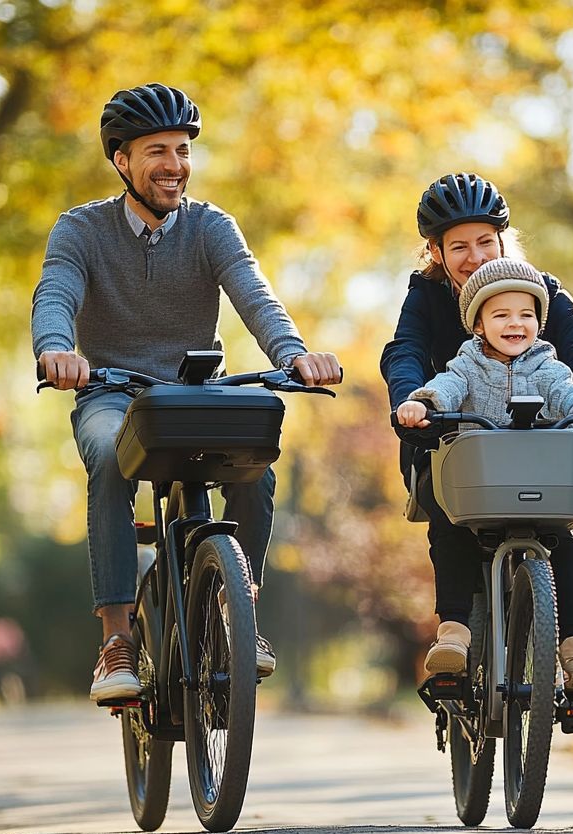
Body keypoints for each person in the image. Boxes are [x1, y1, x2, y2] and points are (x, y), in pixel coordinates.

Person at [32, 83, 341, 704]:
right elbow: (56, 292)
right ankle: (117, 640)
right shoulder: (81, 230)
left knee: (259, 463)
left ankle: (237, 613)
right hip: (112, 392)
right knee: (105, 455)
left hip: (196, 392)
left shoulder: (209, 227)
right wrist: (56, 348)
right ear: (121, 160)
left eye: (181, 150)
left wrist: (294, 354)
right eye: (157, 152)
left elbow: (254, 294)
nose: (174, 165)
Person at [380, 173, 573, 692]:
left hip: (537, 445)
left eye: (485, 242)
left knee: (562, 528)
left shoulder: (535, 290)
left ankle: (572, 645)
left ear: (503, 238)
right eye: (458, 247)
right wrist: (412, 401)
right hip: (455, 440)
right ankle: (453, 631)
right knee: (446, 515)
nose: (474, 256)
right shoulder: (427, 297)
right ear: (435, 251)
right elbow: (405, 351)